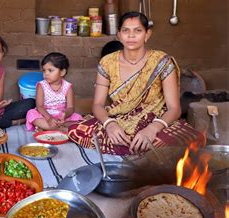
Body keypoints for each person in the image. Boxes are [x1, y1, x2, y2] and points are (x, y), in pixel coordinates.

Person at [67, 12, 203, 156]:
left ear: (147, 34)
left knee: (184, 139)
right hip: (119, 120)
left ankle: (132, 147)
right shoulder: (107, 62)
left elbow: (174, 109)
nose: (131, 36)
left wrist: (153, 128)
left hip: (155, 120)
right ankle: (134, 148)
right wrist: (109, 125)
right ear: (119, 34)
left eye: (137, 30)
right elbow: (98, 105)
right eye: (126, 30)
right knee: (75, 131)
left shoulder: (162, 62)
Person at [25, 52, 82, 132]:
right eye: (44, 71)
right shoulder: (41, 85)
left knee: (78, 119)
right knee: (31, 114)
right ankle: (62, 129)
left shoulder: (68, 87)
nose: (46, 74)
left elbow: (70, 107)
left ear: (62, 72)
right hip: (45, 115)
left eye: (50, 70)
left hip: (61, 117)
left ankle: (49, 128)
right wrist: (49, 118)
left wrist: (65, 115)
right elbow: (39, 106)